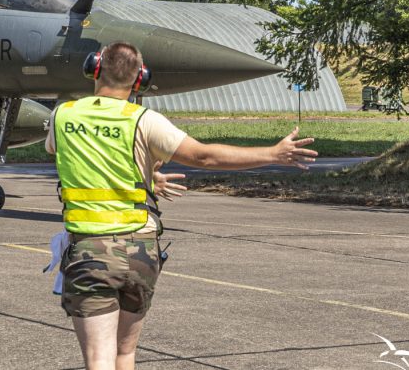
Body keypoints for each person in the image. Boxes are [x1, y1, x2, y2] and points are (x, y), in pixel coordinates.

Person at [46, 41, 317, 370]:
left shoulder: (64, 115)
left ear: (94, 68)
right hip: (139, 252)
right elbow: (204, 156)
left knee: (99, 358)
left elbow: (66, 156)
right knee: (124, 354)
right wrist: (272, 154)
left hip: (89, 252)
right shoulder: (144, 121)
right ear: (139, 79)